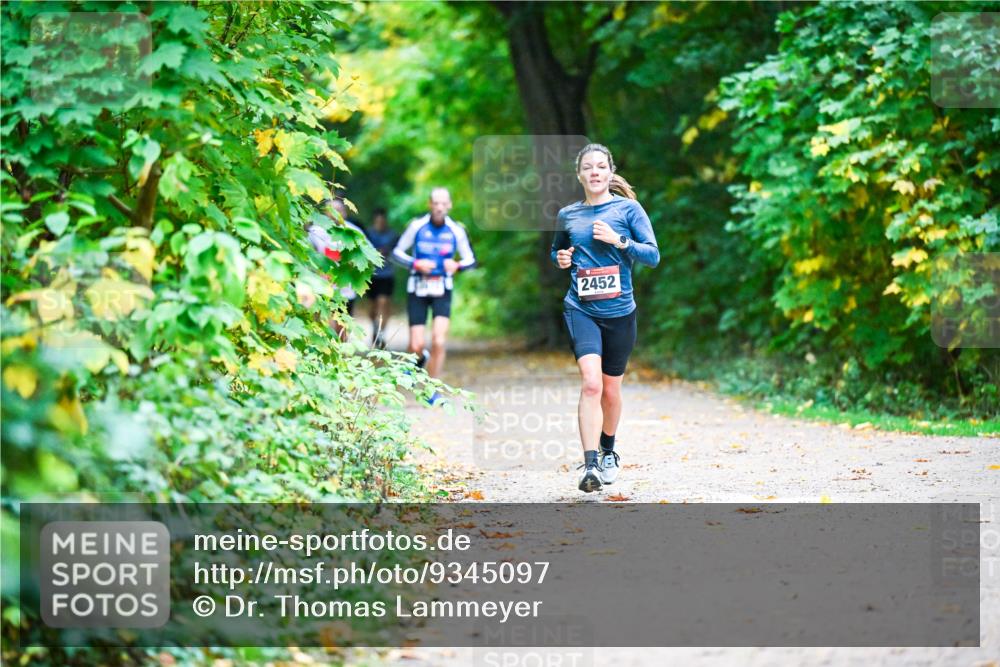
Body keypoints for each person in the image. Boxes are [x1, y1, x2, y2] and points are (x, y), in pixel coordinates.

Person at [550, 143, 659, 492]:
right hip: (581, 308)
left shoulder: (628, 209)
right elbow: (557, 251)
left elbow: (653, 255)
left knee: (611, 390)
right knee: (592, 384)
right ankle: (590, 465)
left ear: (610, 173)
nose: (595, 172)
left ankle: (608, 450)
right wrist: (562, 259)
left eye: (601, 166)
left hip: (620, 312)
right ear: (579, 174)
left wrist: (620, 240)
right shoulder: (568, 215)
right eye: (588, 167)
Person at [392, 187, 476, 404]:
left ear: (449, 205)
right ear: (430, 204)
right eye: (435, 203)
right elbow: (396, 252)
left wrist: (457, 266)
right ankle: (418, 360)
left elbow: (470, 260)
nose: (439, 207)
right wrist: (416, 263)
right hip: (418, 288)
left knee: (439, 340)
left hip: (442, 289)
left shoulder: (456, 230)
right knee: (417, 345)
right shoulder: (416, 226)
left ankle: (432, 389)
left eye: (443, 203)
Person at [306, 196, 366, 341]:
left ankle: (342, 357)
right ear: (325, 212)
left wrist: (355, 266)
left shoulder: (354, 232)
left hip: (345, 288)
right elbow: (306, 255)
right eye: (332, 210)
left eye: (340, 210)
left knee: (342, 328)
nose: (336, 213)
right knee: (323, 324)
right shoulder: (315, 232)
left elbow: (368, 256)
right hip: (322, 287)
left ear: (345, 212)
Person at [364, 207, 400, 349]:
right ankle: (375, 328)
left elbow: (398, 252)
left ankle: (381, 333)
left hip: (387, 275)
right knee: (373, 307)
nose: (380, 223)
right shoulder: (367, 234)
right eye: (377, 221)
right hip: (371, 275)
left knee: (383, 302)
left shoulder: (393, 236)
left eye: (382, 221)